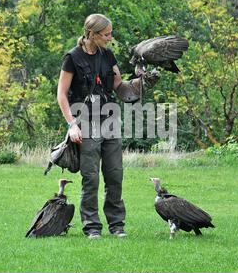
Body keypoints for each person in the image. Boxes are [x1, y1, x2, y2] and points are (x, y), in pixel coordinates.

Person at [57, 14, 160, 239]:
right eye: (106, 34)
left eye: (110, 33)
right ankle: (92, 227)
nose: (110, 38)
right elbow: (61, 95)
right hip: (85, 123)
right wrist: (71, 125)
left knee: (114, 175)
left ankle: (116, 225)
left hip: (110, 121)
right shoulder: (72, 58)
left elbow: (119, 87)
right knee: (91, 177)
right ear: (92, 34)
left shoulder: (108, 55)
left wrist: (140, 84)